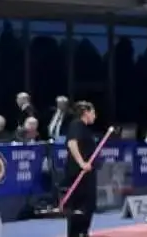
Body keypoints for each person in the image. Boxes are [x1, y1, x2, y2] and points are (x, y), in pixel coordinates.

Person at [64, 101, 100, 237]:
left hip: (87, 172)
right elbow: (72, 143)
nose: (95, 116)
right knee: (79, 205)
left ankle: (83, 232)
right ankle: (75, 233)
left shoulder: (85, 128)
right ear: (86, 112)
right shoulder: (76, 124)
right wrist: (81, 163)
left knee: (89, 205)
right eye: (93, 112)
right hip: (79, 172)